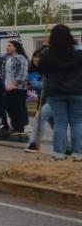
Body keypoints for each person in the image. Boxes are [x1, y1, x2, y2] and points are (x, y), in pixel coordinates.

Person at [36, 24, 82, 161]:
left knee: (60, 122)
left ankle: (59, 154)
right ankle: (78, 154)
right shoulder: (79, 54)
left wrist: (43, 49)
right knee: (77, 122)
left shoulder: (47, 54)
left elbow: (39, 70)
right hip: (77, 91)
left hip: (55, 92)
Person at [2, 40, 30, 137]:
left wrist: (13, 84)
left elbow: (22, 73)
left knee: (17, 108)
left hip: (18, 88)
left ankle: (19, 128)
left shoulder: (21, 58)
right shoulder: (7, 58)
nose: (7, 47)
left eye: (9, 46)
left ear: (15, 47)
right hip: (8, 86)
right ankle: (15, 127)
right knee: (9, 107)